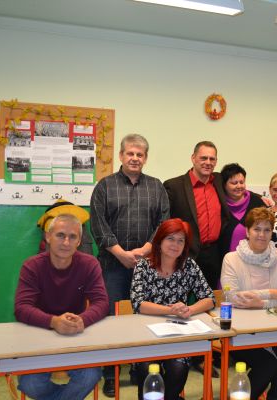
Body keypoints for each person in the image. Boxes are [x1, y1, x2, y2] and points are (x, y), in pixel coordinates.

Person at [90, 133, 170, 397]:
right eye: (130, 153)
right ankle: (110, 374)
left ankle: (141, 368)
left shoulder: (156, 187)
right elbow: (98, 225)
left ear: (145, 158)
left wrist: (146, 249)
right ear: (121, 156)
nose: (135, 158)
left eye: (140, 154)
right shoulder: (105, 186)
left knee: (144, 318)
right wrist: (120, 253)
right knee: (112, 319)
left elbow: (163, 223)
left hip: (147, 266)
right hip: (112, 265)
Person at [15, 214, 109, 400]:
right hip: (39, 334)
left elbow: (101, 302)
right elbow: (21, 307)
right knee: (30, 384)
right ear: (48, 237)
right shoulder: (32, 266)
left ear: (79, 241)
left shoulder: (89, 264)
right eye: (60, 235)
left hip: (75, 334)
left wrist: (83, 320)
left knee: (90, 376)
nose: (66, 242)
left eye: (72, 237)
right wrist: (53, 322)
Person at [130, 218, 215, 400]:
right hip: (146, 335)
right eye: (170, 238)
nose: (175, 245)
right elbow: (138, 304)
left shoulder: (189, 266)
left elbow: (209, 299)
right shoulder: (143, 266)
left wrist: (190, 309)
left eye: (180, 240)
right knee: (146, 369)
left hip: (178, 334)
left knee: (178, 368)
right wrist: (170, 310)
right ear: (159, 241)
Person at [220, 207, 277, 400]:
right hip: (242, 332)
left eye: (267, 230)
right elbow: (233, 297)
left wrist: (260, 302)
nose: (262, 235)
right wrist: (273, 294)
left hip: (274, 329)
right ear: (247, 231)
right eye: (257, 229)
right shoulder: (231, 259)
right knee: (268, 365)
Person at [164, 141, 229, 290]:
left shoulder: (219, 180)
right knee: (181, 299)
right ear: (193, 158)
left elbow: (238, 190)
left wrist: (260, 198)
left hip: (214, 254)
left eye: (212, 159)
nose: (208, 162)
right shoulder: (174, 186)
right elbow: (165, 223)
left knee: (210, 298)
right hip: (185, 254)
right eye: (203, 158)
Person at [218, 163, 266, 255]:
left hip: (254, 258)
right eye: (234, 183)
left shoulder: (257, 202)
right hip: (225, 260)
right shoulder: (219, 204)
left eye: (241, 182)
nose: (239, 186)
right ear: (224, 185)